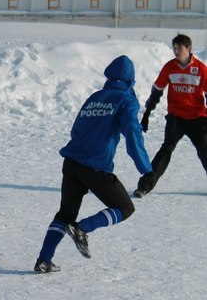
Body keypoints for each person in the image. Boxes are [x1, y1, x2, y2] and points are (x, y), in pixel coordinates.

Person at [34, 55, 152, 273]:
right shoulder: (126, 100)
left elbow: (77, 128)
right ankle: (82, 229)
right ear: (131, 80)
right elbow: (133, 133)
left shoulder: (95, 97)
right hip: (95, 166)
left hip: (72, 161)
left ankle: (43, 260)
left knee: (65, 213)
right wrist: (145, 168)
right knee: (125, 207)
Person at [134, 34, 207, 198]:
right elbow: (157, 91)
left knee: (204, 151)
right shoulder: (169, 67)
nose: (175, 51)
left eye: (179, 48)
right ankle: (144, 186)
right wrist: (147, 113)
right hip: (176, 118)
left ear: (188, 48)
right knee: (166, 149)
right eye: (174, 47)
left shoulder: (201, 69)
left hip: (198, 119)